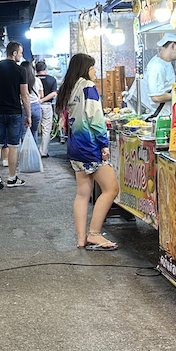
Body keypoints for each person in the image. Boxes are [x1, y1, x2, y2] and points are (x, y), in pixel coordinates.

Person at [57, 53, 118, 250]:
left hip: (75, 146)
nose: (95, 71)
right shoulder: (88, 87)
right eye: (93, 67)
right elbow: (96, 119)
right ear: (86, 68)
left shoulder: (69, 88)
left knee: (83, 193)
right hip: (90, 146)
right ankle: (94, 234)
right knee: (111, 189)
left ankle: (81, 238)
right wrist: (104, 144)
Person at [0, 41, 31, 188]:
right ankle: (12, 178)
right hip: (14, 113)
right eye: (20, 52)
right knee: (13, 146)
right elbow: (24, 95)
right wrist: (28, 115)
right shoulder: (20, 71)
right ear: (14, 53)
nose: (21, 55)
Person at [129, 30, 176, 116]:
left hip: (162, 116)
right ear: (173, 46)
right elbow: (156, 97)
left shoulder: (166, 62)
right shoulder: (157, 66)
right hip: (154, 118)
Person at [35, 59, 58, 157]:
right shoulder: (52, 79)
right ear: (45, 69)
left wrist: (39, 100)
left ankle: (33, 151)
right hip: (47, 106)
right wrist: (43, 100)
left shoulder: (32, 79)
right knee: (46, 129)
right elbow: (54, 93)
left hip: (34, 105)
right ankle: (43, 152)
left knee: (33, 129)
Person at [21, 58, 43, 144]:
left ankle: (25, 154)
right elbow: (41, 95)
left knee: (23, 133)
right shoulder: (37, 80)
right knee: (34, 132)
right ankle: (34, 154)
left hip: (23, 107)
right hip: (36, 107)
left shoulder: (20, 80)